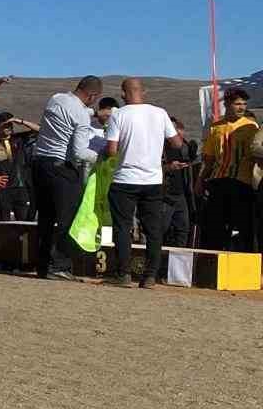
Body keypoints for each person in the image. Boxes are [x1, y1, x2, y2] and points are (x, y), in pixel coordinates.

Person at [103, 78, 183, 288]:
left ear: (122, 94)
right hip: (153, 180)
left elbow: (111, 150)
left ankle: (124, 275)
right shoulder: (160, 113)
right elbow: (177, 142)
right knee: (153, 229)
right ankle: (149, 277)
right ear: (144, 92)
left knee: (122, 227)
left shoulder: (118, 114)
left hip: (124, 179)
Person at [32, 76, 103, 281]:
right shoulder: (81, 115)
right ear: (92, 95)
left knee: (45, 218)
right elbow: (80, 152)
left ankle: (43, 266)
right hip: (61, 168)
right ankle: (59, 266)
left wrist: (95, 113)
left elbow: (72, 111)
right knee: (67, 218)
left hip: (39, 164)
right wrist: (102, 156)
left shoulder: (56, 99)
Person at [197, 88, 257, 252]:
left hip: (242, 183)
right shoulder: (215, 127)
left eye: (244, 104)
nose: (242, 107)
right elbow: (209, 160)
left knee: (243, 227)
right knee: (214, 226)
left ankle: (245, 264)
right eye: (238, 104)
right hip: (218, 181)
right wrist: (200, 182)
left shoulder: (251, 127)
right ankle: (211, 264)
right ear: (227, 105)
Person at [0, 113, 39, 222]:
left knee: (23, 222)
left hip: (20, 186)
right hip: (3, 187)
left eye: (10, 125)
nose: (8, 128)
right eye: (5, 125)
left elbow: (40, 130)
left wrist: (20, 121)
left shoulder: (19, 138)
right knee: (3, 222)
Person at [162, 120, 200, 247]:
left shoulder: (185, 147)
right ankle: (160, 260)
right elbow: (149, 169)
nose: (176, 133)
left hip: (182, 195)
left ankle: (179, 260)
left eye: (178, 130)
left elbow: (193, 164)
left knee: (183, 229)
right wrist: (168, 168)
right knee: (161, 228)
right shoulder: (159, 146)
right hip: (165, 195)